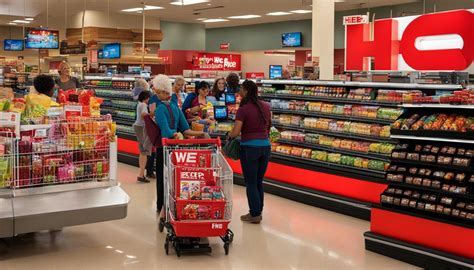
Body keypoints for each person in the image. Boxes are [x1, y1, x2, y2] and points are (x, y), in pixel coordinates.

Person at [152, 74, 210, 227]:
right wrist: (201, 134)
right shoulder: (176, 108)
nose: (157, 94)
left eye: (159, 92)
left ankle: (163, 207)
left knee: (164, 179)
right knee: (176, 179)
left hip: (164, 149)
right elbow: (185, 130)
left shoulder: (159, 110)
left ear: (164, 93)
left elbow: (166, 131)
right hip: (178, 150)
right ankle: (175, 205)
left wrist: (174, 134)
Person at [228, 80, 271, 224]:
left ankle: (254, 214)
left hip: (249, 148)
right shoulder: (265, 106)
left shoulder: (243, 109)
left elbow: (236, 132)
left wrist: (229, 135)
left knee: (251, 183)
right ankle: (258, 211)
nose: (239, 90)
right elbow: (268, 126)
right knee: (259, 181)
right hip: (265, 146)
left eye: (241, 88)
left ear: (245, 90)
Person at [133, 91, 152, 183]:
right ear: (146, 97)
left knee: (142, 151)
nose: (149, 100)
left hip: (138, 126)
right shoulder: (143, 105)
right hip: (141, 127)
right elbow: (143, 115)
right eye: (148, 98)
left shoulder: (139, 104)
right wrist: (152, 113)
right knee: (144, 151)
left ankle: (141, 174)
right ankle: (141, 175)